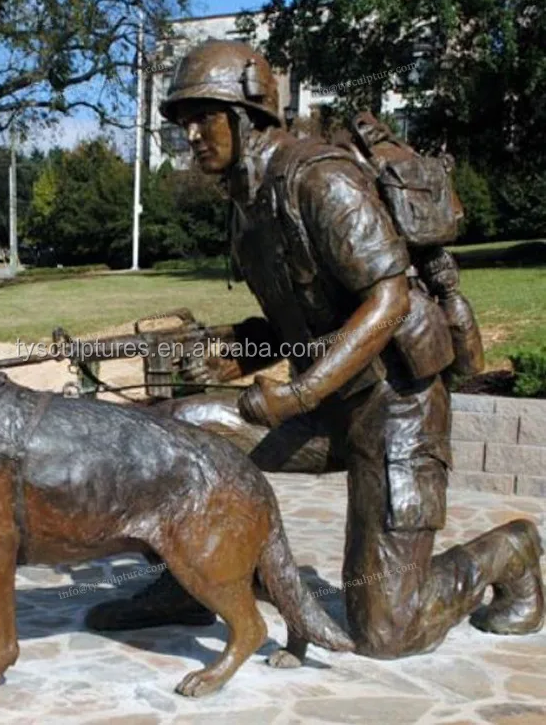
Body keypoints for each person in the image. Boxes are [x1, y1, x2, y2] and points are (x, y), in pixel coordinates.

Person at [85, 39, 544, 657]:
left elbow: (388, 301)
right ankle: (194, 581)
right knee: (174, 431)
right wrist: (238, 350)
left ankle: (510, 551)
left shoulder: (322, 180)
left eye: (203, 116)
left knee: (388, 630)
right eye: (182, 121)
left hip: (395, 408)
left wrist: (298, 391)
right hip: (326, 405)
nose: (190, 134)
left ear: (248, 116)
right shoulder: (246, 206)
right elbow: (303, 320)